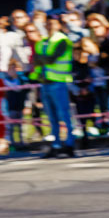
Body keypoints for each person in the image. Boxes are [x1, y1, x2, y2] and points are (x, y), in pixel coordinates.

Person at [33, 13, 76, 157]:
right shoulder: (43, 42)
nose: (50, 26)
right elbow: (36, 60)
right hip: (45, 83)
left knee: (64, 114)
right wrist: (42, 59)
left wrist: (42, 59)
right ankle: (56, 144)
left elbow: (50, 59)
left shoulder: (62, 40)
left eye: (53, 23)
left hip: (58, 82)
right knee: (52, 117)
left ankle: (70, 144)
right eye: (48, 23)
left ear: (58, 25)